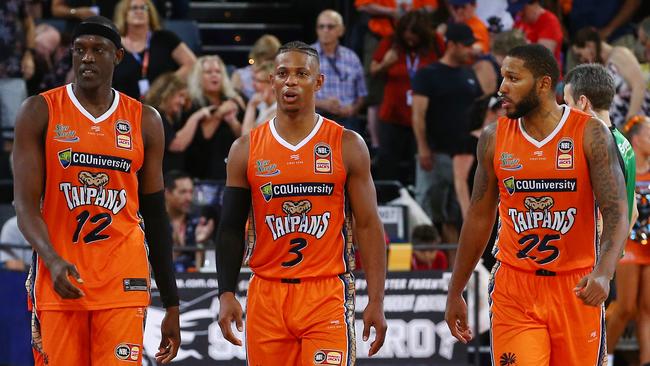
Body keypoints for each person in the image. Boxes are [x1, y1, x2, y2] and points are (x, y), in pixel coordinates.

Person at [445, 44, 629, 365]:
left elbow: (616, 211)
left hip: (576, 285)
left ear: (544, 84)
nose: (502, 87)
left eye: (513, 78)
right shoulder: (493, 138)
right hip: (515, 287)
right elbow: (478, 217)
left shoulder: (590, 133)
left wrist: (604, 271)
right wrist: (455, 289)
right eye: (503, 77)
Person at [12, 16, 180, 365]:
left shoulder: (145, 120)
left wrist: (172, 302)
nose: (86, 58)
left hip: (124, 278)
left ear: (118, 56)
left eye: (97, 50)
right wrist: (52, 258)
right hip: (62, 275)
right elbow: (25, 204)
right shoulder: (39, 110)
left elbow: (156, 213)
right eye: (79, 50)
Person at [216, 41, 388, 364]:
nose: (290, 81)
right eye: (282, 73)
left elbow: (368, 224)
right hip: (267, 292)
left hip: (325, 292)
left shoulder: (347, 144)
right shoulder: (245, 149)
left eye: (301, 74)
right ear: (272, 81)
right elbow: (229, 229)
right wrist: (226, 292)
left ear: (318, 82)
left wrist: (376, 299)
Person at [412, 23, 483, 265]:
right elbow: (418, 114)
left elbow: (479, 112)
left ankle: (453, 271)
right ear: (450, 44)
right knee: (429, 217)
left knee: (455, 217)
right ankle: (426, 270)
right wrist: (423, 148)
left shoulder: (469, 75)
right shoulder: (427, 74)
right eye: (465, 45)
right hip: (436, 153)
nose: (469, 50)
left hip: (463, 156)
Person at [371, 10, 444, 184]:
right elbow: (373, 70)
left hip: (425, 117)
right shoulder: (390, 42)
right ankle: (388, 202)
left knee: (420, 165)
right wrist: (385, 64)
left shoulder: (436, 43)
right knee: (388, 164)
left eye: (415, 35)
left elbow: (445, 66)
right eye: (406, 34)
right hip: (393, 116)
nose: (409, 38)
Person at [616, 116, 650, 366]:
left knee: (647, 308)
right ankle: (601, 355)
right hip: (627, 244)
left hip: (649, 247)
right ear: (636, 139)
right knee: (626, 306)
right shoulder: (624, 166)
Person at [112, 0, 196, 99]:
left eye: (144, 8)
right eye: (134, 8)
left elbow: (192, 64)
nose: (139, 11)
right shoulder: (114, 44)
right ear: (124, 14)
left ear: (150, 13)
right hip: (125, 105)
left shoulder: (165, 37)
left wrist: (167, 84)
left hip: (162, 102)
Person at [572, 27, 650, 128]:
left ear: (589, 45)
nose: (582, 60)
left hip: (639, 123)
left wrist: (630, 123)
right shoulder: (601, 68)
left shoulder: (619, 54)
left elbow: (639, 86)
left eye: (580, 55)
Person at [184, 55, 245, 180]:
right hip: (202, 171)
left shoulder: (236, 99)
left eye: (218, 72)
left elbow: (246, 137)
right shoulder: (191, 103)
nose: (214, 75)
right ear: (198, 77)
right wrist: (219, 114)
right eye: (208, 72)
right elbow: (202, 137)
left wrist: (232, 121)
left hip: (233, 168)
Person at [312, 9, 367, 134]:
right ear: (317, 30)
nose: (325, 30)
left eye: (330, 26)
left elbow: (362, 95)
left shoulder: (351, 57)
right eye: (321, 26)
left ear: (341, 30)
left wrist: (352, 109)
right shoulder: (305, 57)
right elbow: (296, 92)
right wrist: (322, 104)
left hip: (347, 119)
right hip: (316, 117)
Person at [144, 72, 206, 173]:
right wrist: (195, 118)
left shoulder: (174, 118)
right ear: (166, 93)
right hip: (160, 180)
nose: (182, 102)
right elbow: (176, 145)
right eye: (180, 96)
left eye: (184, 98)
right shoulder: (154, 116)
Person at [164, 170, 214, 272]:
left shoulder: (198, 223)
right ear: (167, 193)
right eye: (183, 192)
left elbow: (203, 272)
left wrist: (200, 243)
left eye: (191, 192)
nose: (189, 198)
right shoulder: (153, 223)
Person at [508, 0, 563, 72]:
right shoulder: (520, 21)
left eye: (521, 9)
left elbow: (542, 58)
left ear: (534, 4)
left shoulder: (549, 21)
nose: (519, 14)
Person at [231, 34, 281, 100]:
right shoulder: (239, 75)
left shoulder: (280, 76)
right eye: (268, 58)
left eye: (273, 58)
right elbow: (233, 101)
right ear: (258, 55)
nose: (270, 63)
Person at [241, 61, 276, 135]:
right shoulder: (262, 105)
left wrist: (251, 106)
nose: (253, 84)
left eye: (258, 81)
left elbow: (247, 138)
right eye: (253, 79)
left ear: (271, 84)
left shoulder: (278, 111)